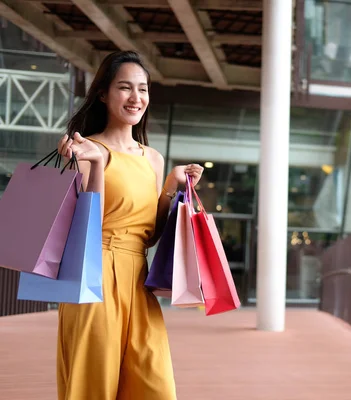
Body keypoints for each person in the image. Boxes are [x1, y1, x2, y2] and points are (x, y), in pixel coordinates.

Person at [56, 50, 202, 400]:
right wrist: (94, 166)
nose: (136, 98)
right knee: (94, 383)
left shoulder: (152, 157)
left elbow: (148, 236)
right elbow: (85, 226)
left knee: (155, 386)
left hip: (138, 279)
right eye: (125, 88)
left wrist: (169, 187)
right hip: (95, 275)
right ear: (104, 94)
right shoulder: (87, 148)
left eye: (143, 89)